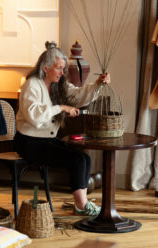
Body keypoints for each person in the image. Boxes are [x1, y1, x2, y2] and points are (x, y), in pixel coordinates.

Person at [15, 41, 110, 216]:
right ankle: (81, 206)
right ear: (45, 68)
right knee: (77, 160)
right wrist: (61, 108)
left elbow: (77, 95)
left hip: (45, 140)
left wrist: (97, 83)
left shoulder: (59, 84)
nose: (62, 72)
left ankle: (81, 204)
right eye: (59, 68)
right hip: (29, 142)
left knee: (84, 158)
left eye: (63, 68)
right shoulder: (31, 85)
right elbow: (34, 117)